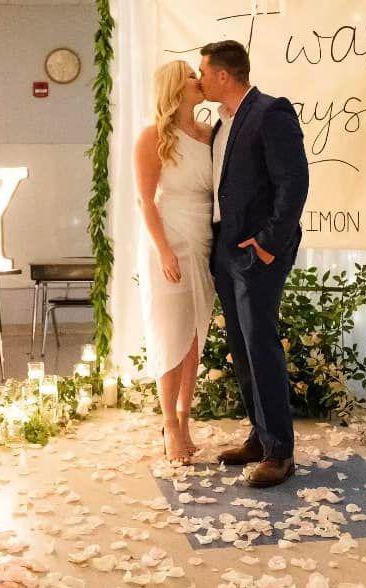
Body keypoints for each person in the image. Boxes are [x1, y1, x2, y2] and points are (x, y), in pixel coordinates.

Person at [198, 40, 309, 487]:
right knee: (242, 346)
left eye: (203, 71)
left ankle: (281, 453)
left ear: (223, 75)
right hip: (226, 248)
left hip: (255, 251)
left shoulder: (270, 112)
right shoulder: (221, 124)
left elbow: (294, 185)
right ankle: (260, 439)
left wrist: (265, 245)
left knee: (260, 344)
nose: (199, 79)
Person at [134, 60, 216, 465]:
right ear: (173, 87)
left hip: (203, 244)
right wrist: (164, 250)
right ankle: (169, 425)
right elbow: (145, 201)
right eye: (189, 75)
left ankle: (186, 418)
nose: (197, 80)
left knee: (193, 338)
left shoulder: (209, 134)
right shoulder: (152, 137)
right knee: (171, 336)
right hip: (169, 243)